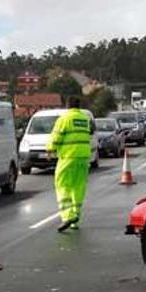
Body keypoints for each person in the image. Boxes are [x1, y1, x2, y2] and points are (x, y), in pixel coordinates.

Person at [46, 96, 92, 232]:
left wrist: (50, 149)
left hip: (68, 157)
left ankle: (67, 216)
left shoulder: (64, 119)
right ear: (78, 106)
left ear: (67, 106)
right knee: (78, 187)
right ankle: (75, 218)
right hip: (83, 157)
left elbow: (56, 136)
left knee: (62, 185)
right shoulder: (85, 119)